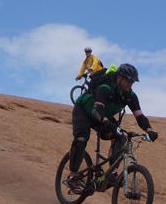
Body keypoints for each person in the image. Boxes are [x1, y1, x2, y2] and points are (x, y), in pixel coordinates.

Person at [67, 63, 158, 191]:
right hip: (84, 110)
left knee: (121, 137)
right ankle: (72, 176)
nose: (130, 84)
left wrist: (149, 130)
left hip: (103, 117)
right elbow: (97, 109)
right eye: (128, 80)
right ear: (119, 77)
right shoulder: (105, 87)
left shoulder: (130, 96)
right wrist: (106, 121)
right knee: (81, 138)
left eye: (132, 82)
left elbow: (140, 116)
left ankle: (112, 173)